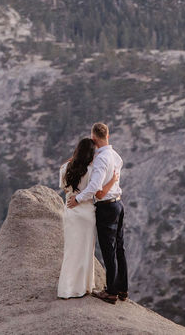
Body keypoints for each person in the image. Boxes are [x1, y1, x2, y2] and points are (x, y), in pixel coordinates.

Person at [67, 122, 126, 304]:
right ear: (108, 135)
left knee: (108, 251)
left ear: (94, 138)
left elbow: (95, 187)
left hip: (106, 207)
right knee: (120, 249)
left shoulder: (101, 159)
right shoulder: (116, 156)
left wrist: (77, 199)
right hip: (118, 204)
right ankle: (123, 289)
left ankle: (111, 292)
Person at [57, 137, 119, 299]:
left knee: (71, 250)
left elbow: (64, 189)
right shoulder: (91, 170)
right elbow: (96, 191)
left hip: (71, 212)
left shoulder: (65, 168)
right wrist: (113, 180)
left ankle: (67, 288)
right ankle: (84, 287)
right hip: (87, 213)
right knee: (86, 251)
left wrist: (74, 196)